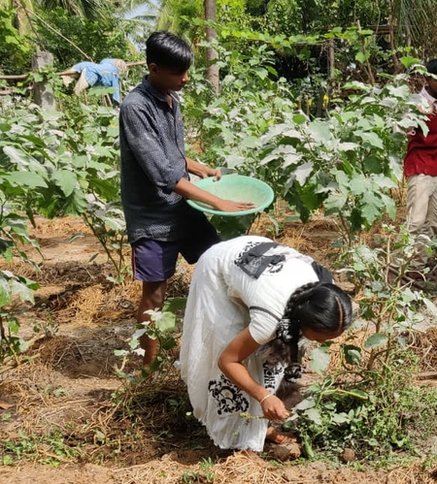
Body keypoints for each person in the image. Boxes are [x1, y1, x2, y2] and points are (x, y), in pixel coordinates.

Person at [120, 31, 252, 368]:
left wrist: (197, 166)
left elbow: (171, 156)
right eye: (179, 73)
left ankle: (223, 347)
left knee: (221, 265)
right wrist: (216, 202)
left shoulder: (170, 99)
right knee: (155, 294)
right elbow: (161, 173)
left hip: (182, 207)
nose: (185, 79)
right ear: (153, 68)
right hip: (152, 218)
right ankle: (147, 368)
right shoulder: (135, 108)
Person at [179, 236, 355, 452]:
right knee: (226, 349)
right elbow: (227, 360)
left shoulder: (326, 294)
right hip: (218, 269)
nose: (320, 343)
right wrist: (263, 395)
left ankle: (259, 422)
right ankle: (236, 436)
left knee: (264, 354)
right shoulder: (270, 319)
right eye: (319, 337)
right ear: (302, 320)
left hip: (255, 266)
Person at [403, 58, 437, 239]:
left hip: (436, 167)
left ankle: (417, 266)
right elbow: (402, 128)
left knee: (433, 223)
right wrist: (417, 115)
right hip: (420, 168)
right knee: (416, 222)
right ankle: (398, 266)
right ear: (427, 80)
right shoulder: (417, 103)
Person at [62, 58, 128, 105]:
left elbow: (103, 61)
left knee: (65, 76)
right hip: (92, 73)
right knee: (77, 92)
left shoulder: (106, 64)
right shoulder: (115, 75)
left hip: (84, 66)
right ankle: (72, 104)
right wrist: (117, 104)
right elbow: (115, 92)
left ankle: (60, 81)